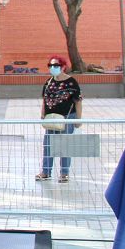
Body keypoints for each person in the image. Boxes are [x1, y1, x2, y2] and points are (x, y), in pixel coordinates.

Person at [36, 54, 82, 184]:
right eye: (50, 65)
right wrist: (43, 114)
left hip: (67, 118)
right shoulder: (49, 82)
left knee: (65, 146)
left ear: (63, 67)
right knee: (48, 145)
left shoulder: (71, 82)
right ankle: (45, 171)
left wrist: (78, 119)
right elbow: (44, 100)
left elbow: (78, 101)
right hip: (51, 118)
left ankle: (64, 173)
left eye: (55, 65)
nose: (52, 68)